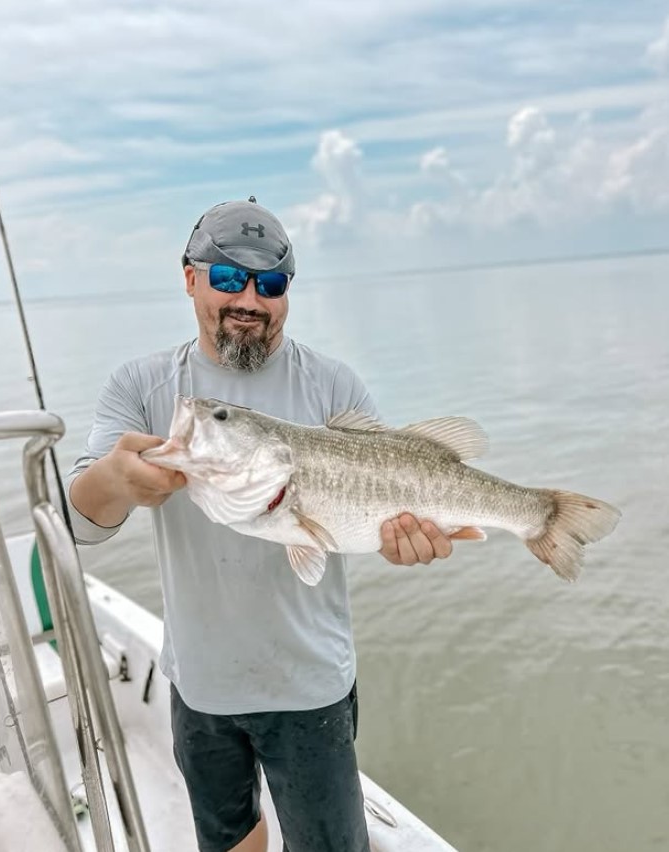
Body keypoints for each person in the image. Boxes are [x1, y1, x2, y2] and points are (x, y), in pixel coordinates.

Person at [67, 198, 475, 852]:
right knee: (230, 840)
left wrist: (404, 540)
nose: (250, 300)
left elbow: (377, 513)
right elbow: (79, 526)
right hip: (199, 684)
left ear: (288, 292)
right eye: (228, 278)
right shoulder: (141, 385)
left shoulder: (334, 387)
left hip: (309, 687)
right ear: (189, 275)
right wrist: (117, 479)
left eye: (271, 283)